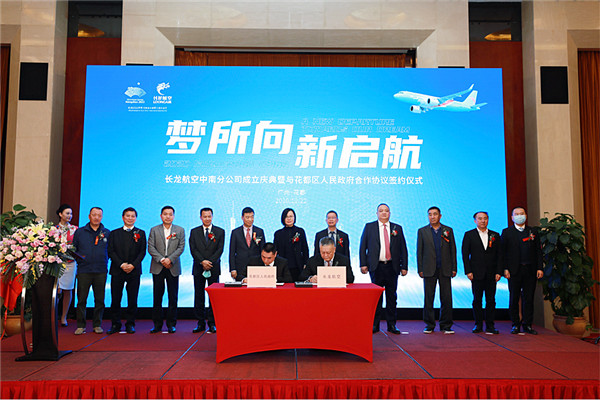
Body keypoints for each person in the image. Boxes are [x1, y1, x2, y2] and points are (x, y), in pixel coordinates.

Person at [359, 203, 408, 334]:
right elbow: (363, 246)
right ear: (377, 213)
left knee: (392, 297)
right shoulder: (369, 227)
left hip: (392, 267)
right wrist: (363, 264)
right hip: (376, 267)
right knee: (376, 297)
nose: (384, 213)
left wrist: (404, 266)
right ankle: (375, 324)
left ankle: (392, 325)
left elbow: (403, 248)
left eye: (386, 211)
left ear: (390, 213)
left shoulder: (397, 228)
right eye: (381, 211)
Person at [501, 206, 543, 335]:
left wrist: (539, 268)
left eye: (522, 213)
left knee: (529, 298)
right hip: (514, 270)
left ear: (526, 215)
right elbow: (503, 253)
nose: (520, 216)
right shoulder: (507, 232)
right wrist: (505, 269)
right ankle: (515, 324)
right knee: (514, 298)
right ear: (512, 217)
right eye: (517, 214)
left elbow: (538, 251)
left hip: (530, 269)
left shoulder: (533, 231)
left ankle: (528, 324)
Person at [416, 206, 457, 334]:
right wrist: (420, 268)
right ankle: (429, 325)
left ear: (440, 216)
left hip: (445, 268)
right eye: (430, 214)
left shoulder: (448, 230)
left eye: (435, 214)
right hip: (428, 269)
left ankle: (446, 325)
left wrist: (454, 268)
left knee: (446, 298)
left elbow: (453, 250)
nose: (432, 216)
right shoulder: (422, 231)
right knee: (429, 298)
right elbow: (419, 251)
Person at [106, 207, 146, 334]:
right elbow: (111, 251)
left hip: (134, 271)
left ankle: (130, 323)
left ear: (136, 218)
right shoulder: (114, 233)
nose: (130, 218)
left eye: (133, 216)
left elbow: (142, 252)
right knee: (115, 298)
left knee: (132, 299)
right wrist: (121, 264)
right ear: (123, 217)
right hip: (117, 270)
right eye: (128, 216)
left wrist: (133, 265)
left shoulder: (141, 233)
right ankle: (115, 324)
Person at [462, 211, 502, 334]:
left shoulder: (495, 235)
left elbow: (500, 255)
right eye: (480, 218)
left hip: (492, 273)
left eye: (485, 218)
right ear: (475, 221)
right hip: (476, 273)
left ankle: (490, 325)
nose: (483, 221)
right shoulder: (469, 235)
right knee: (477, 300)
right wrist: (468, 271)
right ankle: (478, 324)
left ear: (488, 220)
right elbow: (465, 254)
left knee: (491, 300)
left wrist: (499, 272)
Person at [72, 207, 110, 335]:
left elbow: (110, 250)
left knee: (99, 300)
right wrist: (80, 261)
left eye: (99, 215)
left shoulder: (106, 232)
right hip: (84, 270)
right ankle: (81, 325)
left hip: (101, 270)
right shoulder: (80, 232)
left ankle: (97, 324)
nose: (96, 217)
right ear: (89, 216)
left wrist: (105, 260)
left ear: (102, 217)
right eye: (94, 215)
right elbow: (74, 249)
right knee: (81, 299)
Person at [147, 206, 185, 333]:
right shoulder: (154, 230)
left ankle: (171, 324)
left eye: (170, 214)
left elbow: (181, 247)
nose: (168, 216)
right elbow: (151, 247)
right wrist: (162, 260)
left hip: (173, 266)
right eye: (165, 214)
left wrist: (170, 259)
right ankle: (157, 324)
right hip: (158, 266)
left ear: (173, 216)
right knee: (157, 296)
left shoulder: (180, 230)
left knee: (173, 297)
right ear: (161, 216)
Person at [189, 207, 224, 334]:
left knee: (213, 297)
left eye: (209, 216)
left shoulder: (220, 231)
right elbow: (193, 249)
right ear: (200, 217)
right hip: (199, 268)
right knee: (199, 296)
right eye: (205, 216)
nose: (207, 218)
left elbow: (220, 250)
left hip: (213, 268)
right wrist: (202, 261)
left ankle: (212, 323)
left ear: (212, 216)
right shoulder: (194, 232)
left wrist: (209, 262)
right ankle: (200, 323)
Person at [56, 204, 77, 327]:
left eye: (71, 213)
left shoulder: (75, 229)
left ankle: (64, 316)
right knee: (57, 290)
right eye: (67, 213)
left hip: (70, 263)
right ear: (60, 214)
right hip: (56, 263)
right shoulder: (53, 229)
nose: (69, 216)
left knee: (68, 290)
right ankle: (54, 315)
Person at [229, 207, 265, 282]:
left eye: (252, 217)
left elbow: (263, 250)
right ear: (242, 218)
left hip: (256, 266)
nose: (250, 219)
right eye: (247, 217)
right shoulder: (235, 232)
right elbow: (232, 252)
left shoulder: (259, 231)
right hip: (240, 267)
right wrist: (232, 268)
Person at [273, 208, 309, 282]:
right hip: (283, 265)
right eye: (286, 217)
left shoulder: (300, 231)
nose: (289, 219)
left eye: (291, 216)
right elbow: (275, 251)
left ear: (294, 217)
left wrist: (306, 263)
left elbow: (305, 249)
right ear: (283, 218)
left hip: (298, 265)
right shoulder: (278, 233)